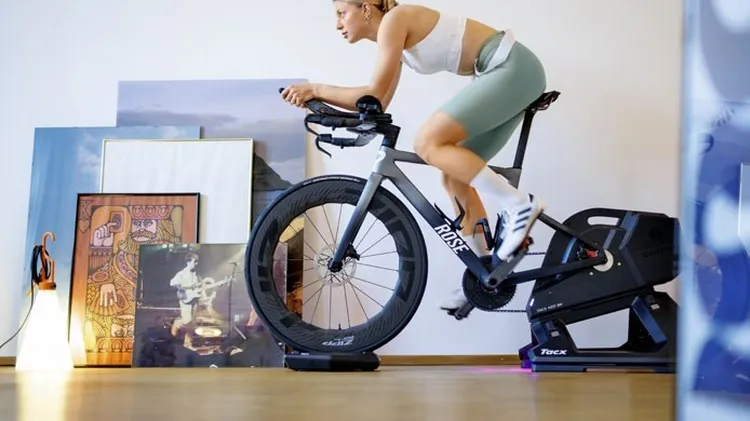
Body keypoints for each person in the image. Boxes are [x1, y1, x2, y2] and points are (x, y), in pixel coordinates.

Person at [281, 0, 547, 314]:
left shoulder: (396, 18)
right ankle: (484, 273)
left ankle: (519, 204)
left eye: (341, 13)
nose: (338, 24)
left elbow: (373, 93)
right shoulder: (395, 39)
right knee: (453, 176)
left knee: (427, 143)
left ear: (366, 8)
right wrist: (320, 99)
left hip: (510, 68)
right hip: (505, 73)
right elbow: (377, 101)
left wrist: (316, 88)